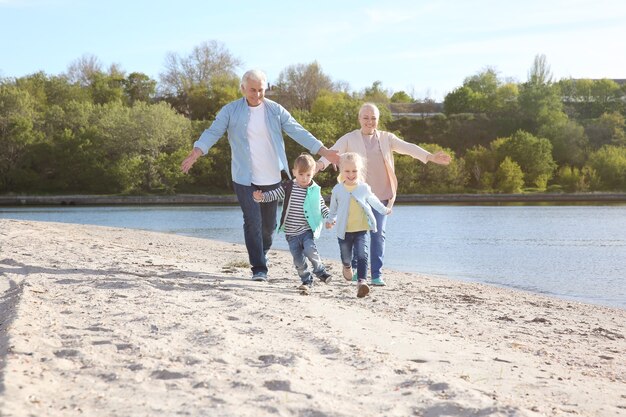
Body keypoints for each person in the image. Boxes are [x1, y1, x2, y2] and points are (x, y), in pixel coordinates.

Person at [181, 69, 340, 282]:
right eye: (252, 90)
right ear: (243, 89)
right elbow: (213, 131)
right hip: (244, 177)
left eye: (261, 90)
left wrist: (324, 151)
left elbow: (298, 130)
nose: (256, 94)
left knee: (268, 226)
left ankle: (262, 251)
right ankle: (259, 268)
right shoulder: (230, 111)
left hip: (272, 178)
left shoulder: (275, 110)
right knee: (252, 221)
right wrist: (196, 152)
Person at [317, 102, 450, 286]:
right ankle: (355, 269)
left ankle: (377, 273)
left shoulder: (387, 138)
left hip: (382, 195)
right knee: (357, 232)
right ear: (359, 119)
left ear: (378, 120)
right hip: (358, 195)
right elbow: (332, 153)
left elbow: (408, 147)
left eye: (373, 118)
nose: (369, 122)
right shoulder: (350, 138)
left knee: (378, 233)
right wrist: (317, 166)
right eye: (366, 117)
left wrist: (430, 156)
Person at [253, 153, 331, 292]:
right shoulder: (288, 187)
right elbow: (274, 194)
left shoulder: (314, 190)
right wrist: (262, 197)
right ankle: (306, 280)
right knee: (298, 261)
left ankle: (320, 271)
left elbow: (322, 206)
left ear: (313, 173)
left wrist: (330, 217)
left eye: (308, 175)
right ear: (294, 172)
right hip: (291, 234)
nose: (304, 178)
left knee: (310, 251)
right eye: (301, 174)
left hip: (307, 230)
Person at [325, 152, 391, 298]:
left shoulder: (363, 188)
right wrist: (329, 221)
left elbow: (374, 201)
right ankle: (347, 266)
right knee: (346, 257)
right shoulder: (338, 190)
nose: (351, 174)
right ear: (342, 171)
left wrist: (384, 210)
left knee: (362, 255)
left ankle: (362, 282)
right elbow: (333, 209)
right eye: (347, 171)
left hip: (361, 229)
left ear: (359, 171)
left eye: (354, 171)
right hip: (344, 231)